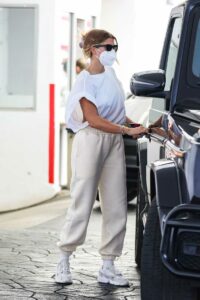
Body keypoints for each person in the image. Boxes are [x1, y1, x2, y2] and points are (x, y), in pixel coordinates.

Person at [55, 29, 147, 286]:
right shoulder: (85, 81)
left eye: (115, 47)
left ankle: (108, 265)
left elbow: (117, 110)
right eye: (109, 47)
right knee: (82, 200)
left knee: (116, 203)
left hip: (113, 141)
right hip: (91, 140)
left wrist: (132, 123)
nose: (113, 52)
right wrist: (127, 130)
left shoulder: (111, 74)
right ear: (94, 49)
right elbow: (93, 118)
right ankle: (64, 258)